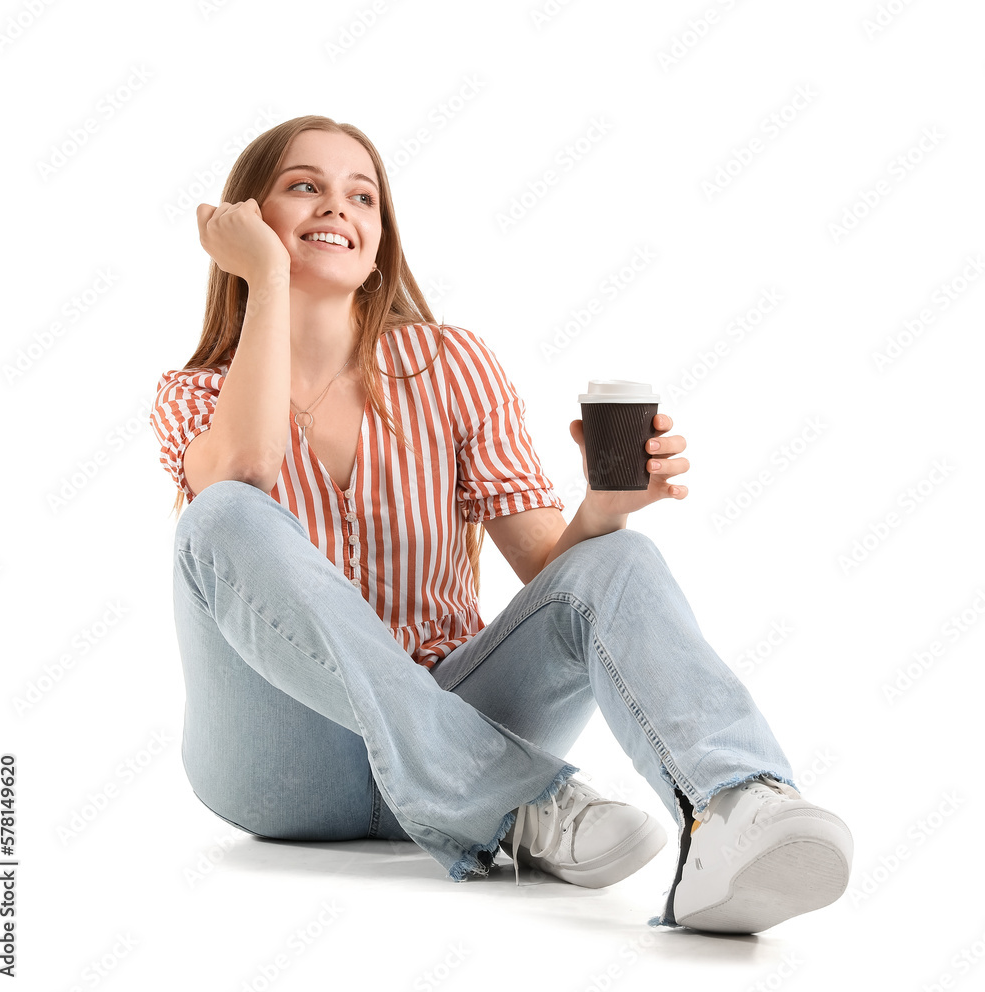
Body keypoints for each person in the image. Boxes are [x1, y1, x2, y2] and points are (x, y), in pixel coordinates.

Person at [148, 115, 853, 934]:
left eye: (362, 195)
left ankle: (736, 811)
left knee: (622, 558)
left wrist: (603, 512)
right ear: (246, 223)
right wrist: (266, 280)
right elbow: (243, 473)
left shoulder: (452, 365)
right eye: (304, 186)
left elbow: (553, 577)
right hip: (282, 761)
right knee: (223, 514)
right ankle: (524, 797)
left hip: (464, 702)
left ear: (381, 239)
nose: (337, 207)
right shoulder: (193, 396)